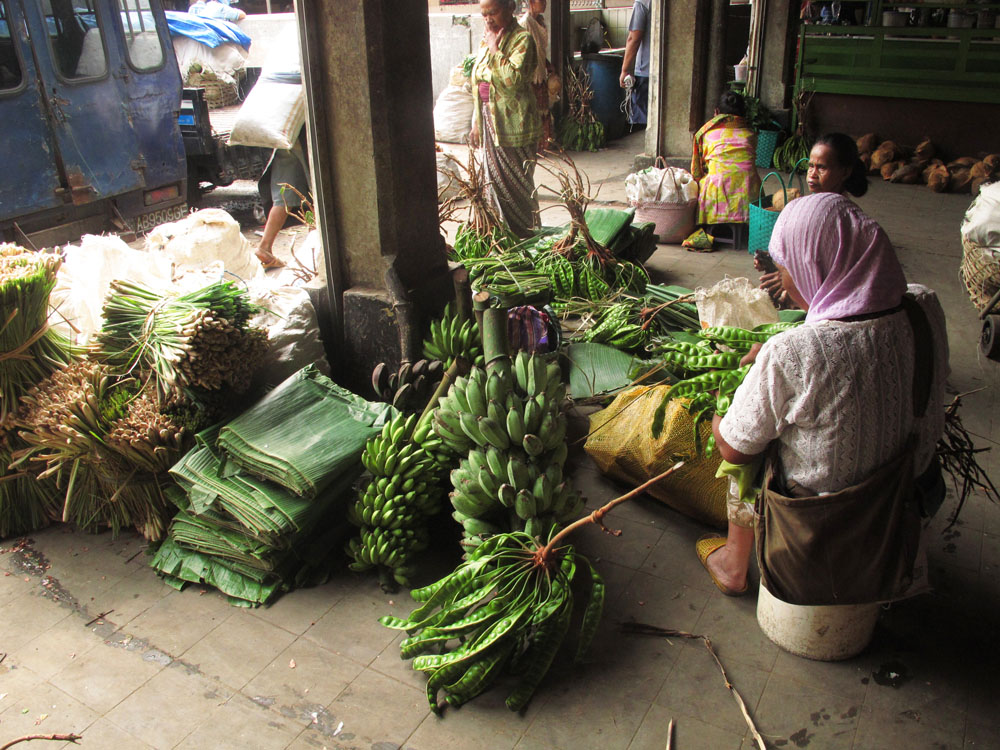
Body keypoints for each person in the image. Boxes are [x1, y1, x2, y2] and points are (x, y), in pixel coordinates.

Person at [696, 191, 949, 597]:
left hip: (823, 532)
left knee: (745, 438)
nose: (786, 280)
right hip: (913, 495)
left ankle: (732, 563)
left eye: (788, 267)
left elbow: (733, 449)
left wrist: (717, 409)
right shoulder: (925, 306)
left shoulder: (796, 351)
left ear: (813, 264)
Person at [758, 132, 868, 305]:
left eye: (821, 168)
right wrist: (772, 263)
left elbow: (836, 275)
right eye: (810, 166)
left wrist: (790, 278)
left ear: (845, 172)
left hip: (830, 304)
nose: (812, 174)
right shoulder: (805, 209)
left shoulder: (844, 219)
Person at [469, 0, 542, 239]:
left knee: (518, 187)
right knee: (494, 186)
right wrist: (476, 123)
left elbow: (512, 81)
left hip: (515, 126)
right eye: (483, 14)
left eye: (493, 12)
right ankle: (502, 239)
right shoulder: (487, 37)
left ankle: (526, 238)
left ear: (509, 8)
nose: (487, 18)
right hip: (490, 121)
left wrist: (495, 51)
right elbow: (478, 79)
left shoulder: (523, 39)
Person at [690, 90, 761, 237]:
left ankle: (711, 219)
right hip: (748, 190)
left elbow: (698, 171)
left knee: (707, 178)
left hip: (717, 191)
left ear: (716, 113)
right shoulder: (750, 135)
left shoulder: (707, 135)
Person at [255, 131, 309, 269]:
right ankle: (316, 250)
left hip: (285, 133)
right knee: (317, 190)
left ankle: (264, 247)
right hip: (304, 131)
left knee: (284, 194)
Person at [518, 0, 554, 149]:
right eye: (541, 0)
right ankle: (533, 148)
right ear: (531, 2)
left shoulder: (539, 21)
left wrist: (549, 67)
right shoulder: (525, 23)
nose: (544, 3)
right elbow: (523, 53)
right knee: (533, 112)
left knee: (544, 112)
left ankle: (543, 147)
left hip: (540, 74)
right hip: (531, 77)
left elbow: (540, 51)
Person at [619, 0, 650, 127]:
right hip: (670, 70)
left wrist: (624, 70)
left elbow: (634, 38)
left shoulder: (642, 3)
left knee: (641, 122)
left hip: (646, 71)